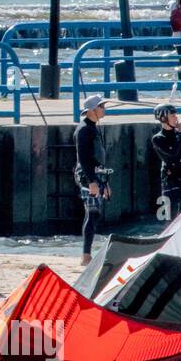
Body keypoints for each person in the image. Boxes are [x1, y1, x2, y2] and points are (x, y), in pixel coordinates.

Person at [74, 94, 112, 266]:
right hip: (87, 176)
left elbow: (97, 158)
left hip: (97, 175)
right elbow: (83, 158)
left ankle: (86, 253)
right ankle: (85, 255)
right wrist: (91, 182)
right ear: (91, 110)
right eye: (101, 106)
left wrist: (105, 182)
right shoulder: (83, 129)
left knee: (93, 214)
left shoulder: (93, 127)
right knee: (93, 212)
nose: (104, 109)